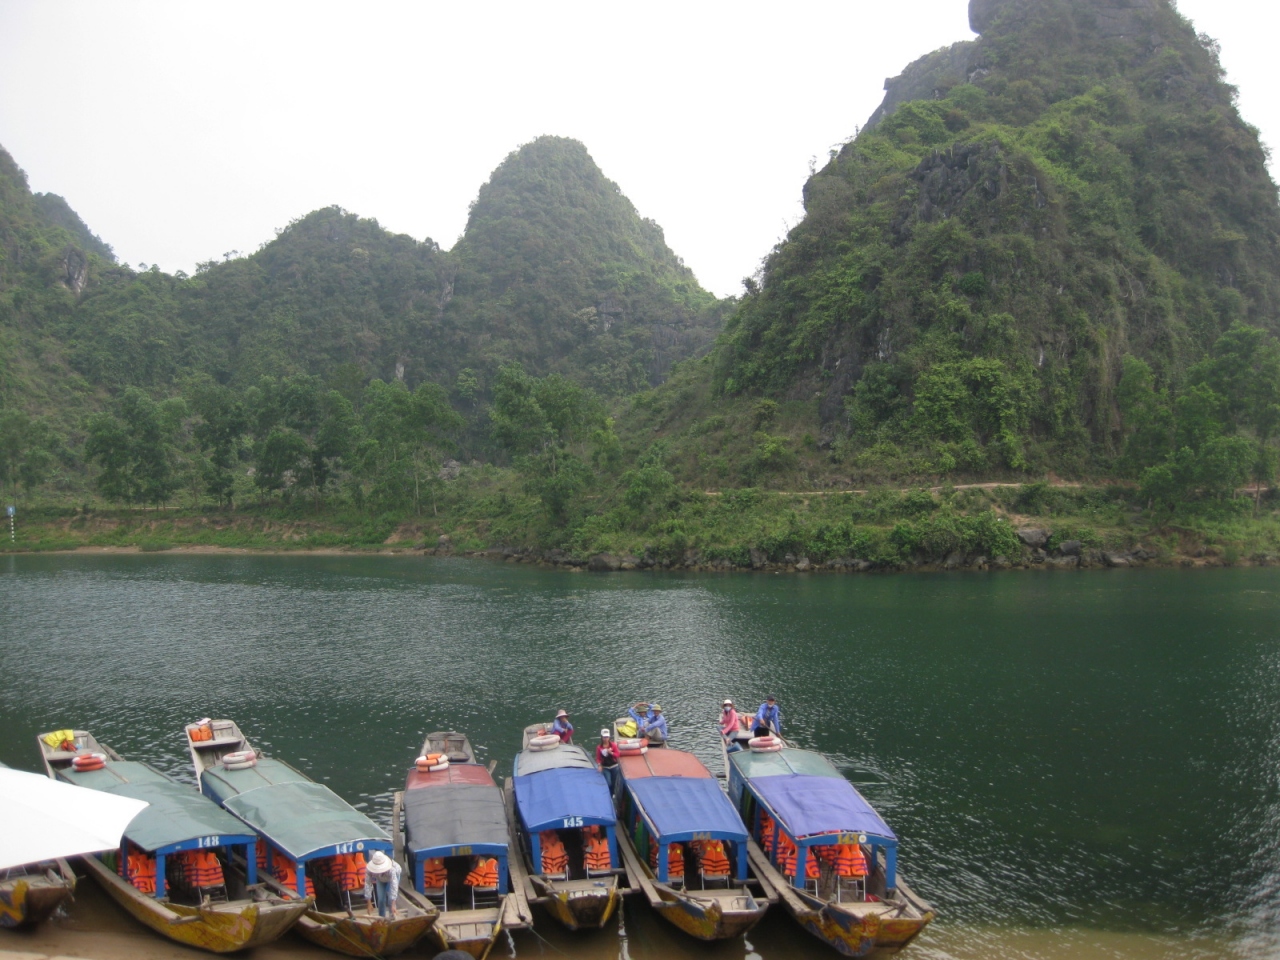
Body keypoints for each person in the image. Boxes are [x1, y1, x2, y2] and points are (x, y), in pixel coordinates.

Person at [364, 850, 401, 918]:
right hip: (380, 879)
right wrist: (369, 903)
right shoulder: (369, 869)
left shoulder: (392, 869)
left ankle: (392, 917)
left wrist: (393, 904)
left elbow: (394, 886)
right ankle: (381, 918)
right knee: (381, 899)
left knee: (390, 900)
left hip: (392, 877)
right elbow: (367, 884)